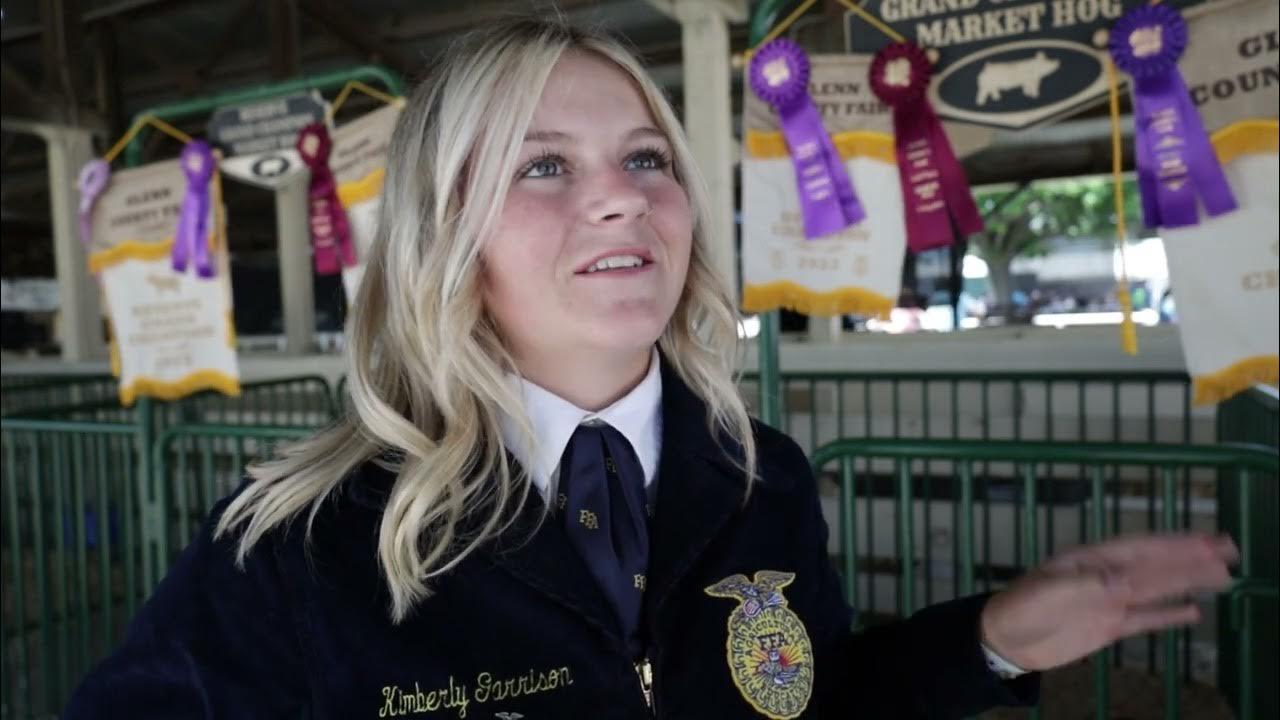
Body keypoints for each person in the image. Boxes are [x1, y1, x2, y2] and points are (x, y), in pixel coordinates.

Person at [65, 18, 1237, 719]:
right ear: (444, 235)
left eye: (643, 157)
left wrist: (994, 636)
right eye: (543, 168)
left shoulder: (756, 474)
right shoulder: (304, 542)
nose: (620, 191)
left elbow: (797, 698)